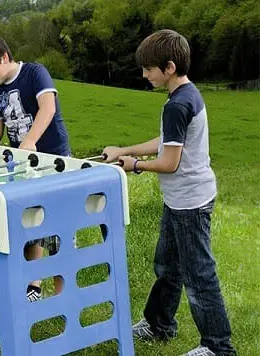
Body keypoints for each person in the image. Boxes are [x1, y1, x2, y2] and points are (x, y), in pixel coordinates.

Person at [103, 29, 236, 356]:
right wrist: (124, 149)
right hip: (181, 200)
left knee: (199, 275)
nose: (144, 74)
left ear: (170, 67)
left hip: (190, 202)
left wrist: (134, 166)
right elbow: (167, 142)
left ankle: (218, 347)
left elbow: (169, 162)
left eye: (149, 68)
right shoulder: (186, 95)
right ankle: (159, 324)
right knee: (168, 266)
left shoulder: (178, 105)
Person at [0, 34, 71, 301]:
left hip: (53, 161)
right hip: (22, 165)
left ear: (3, 57)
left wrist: (30, 140)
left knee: (58, 229)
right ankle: (33, 284)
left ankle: (63, 295)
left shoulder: (35, 73)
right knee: (29, 225)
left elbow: (48, 109)